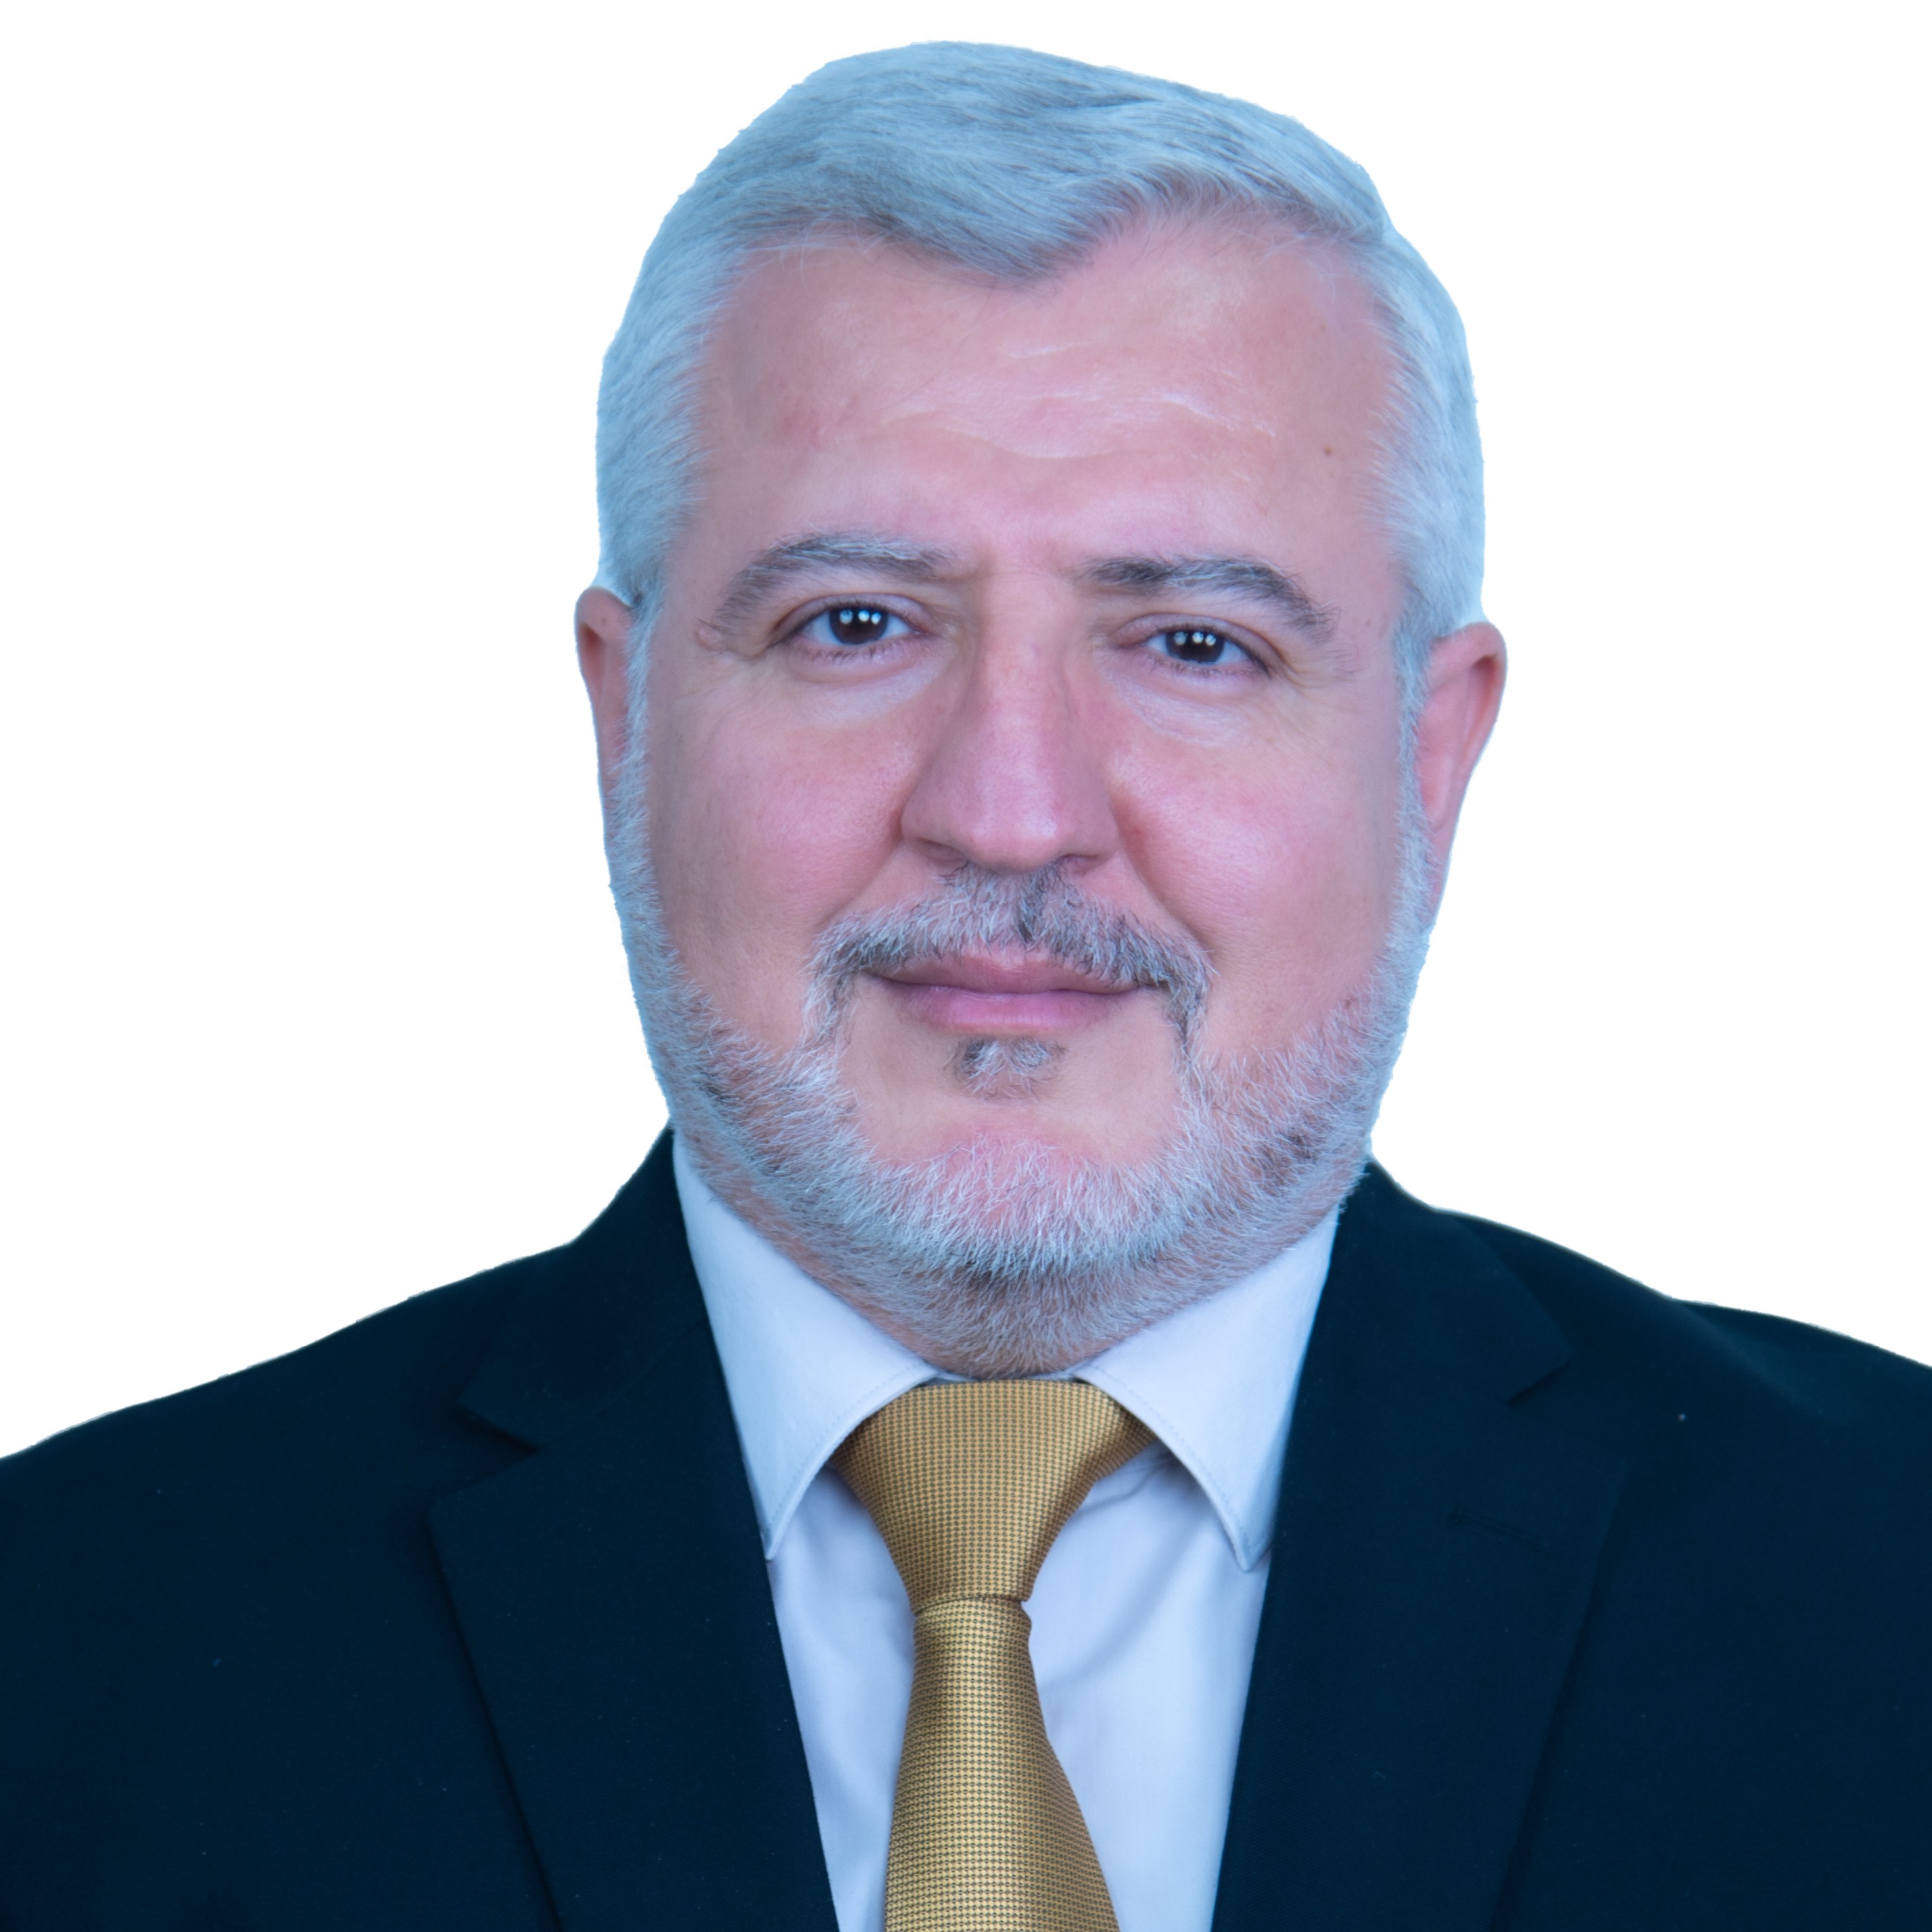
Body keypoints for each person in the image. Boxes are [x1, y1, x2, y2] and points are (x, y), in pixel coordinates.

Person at [2, 41, 1927, 1932]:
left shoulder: (1888, 1591)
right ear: (626, 717)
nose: (1010, 812)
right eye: (855, 624)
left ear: (1430, 758)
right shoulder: (64, 1649)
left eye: (1193, 641)